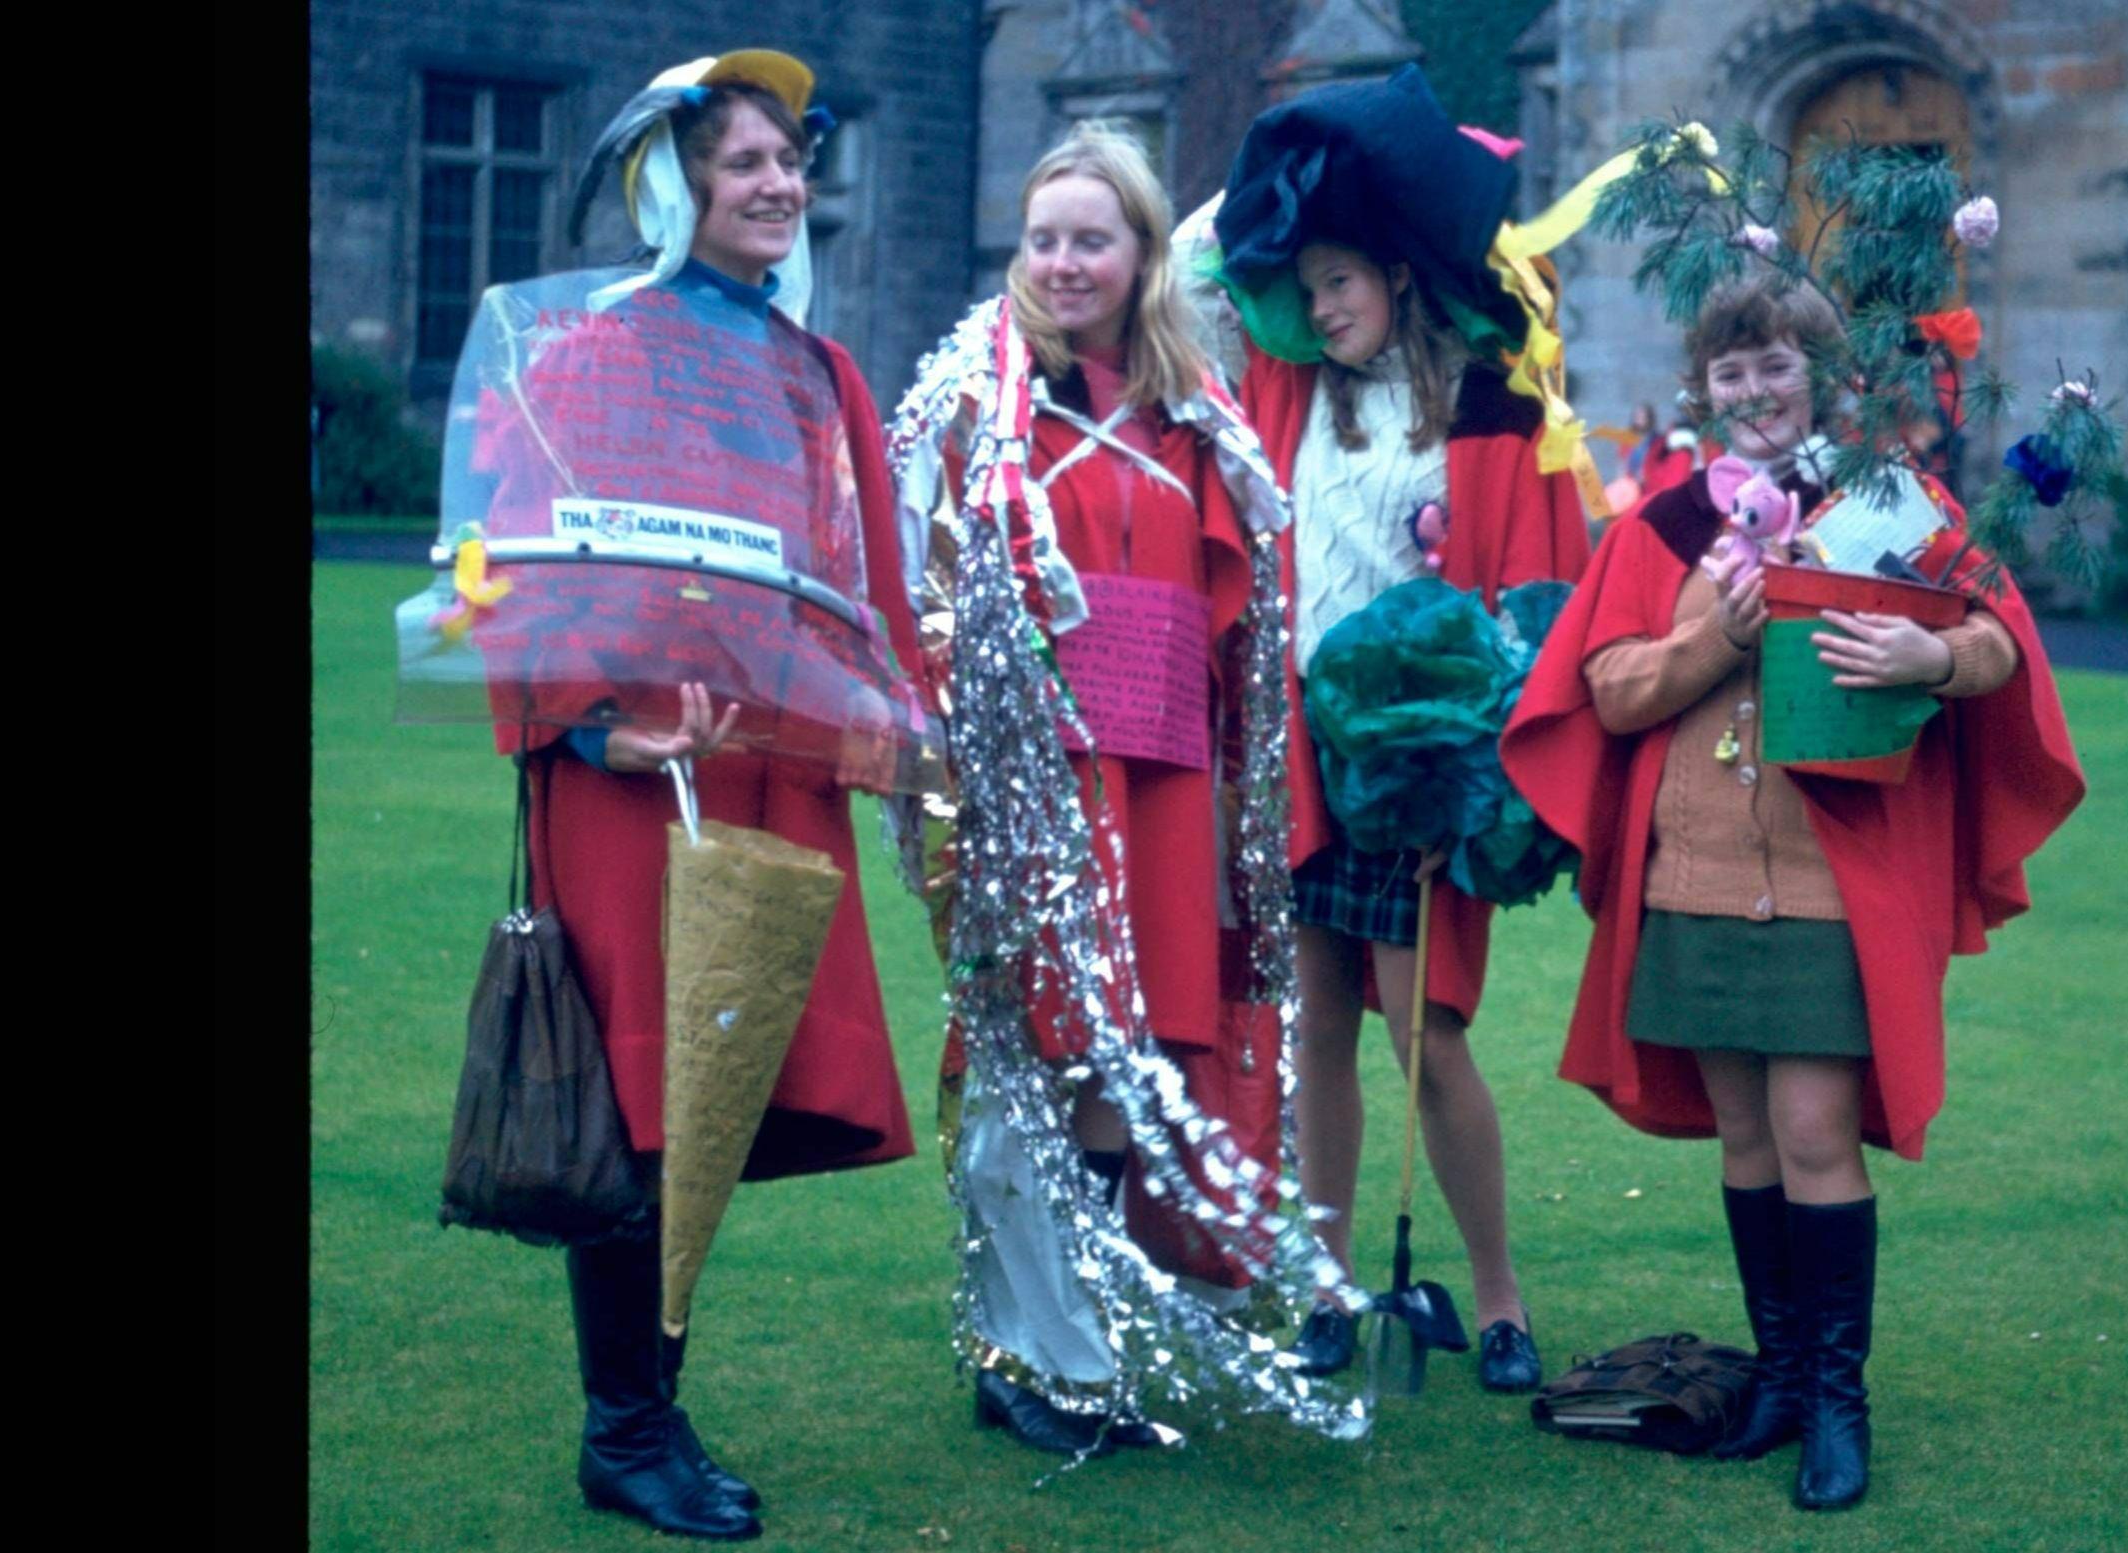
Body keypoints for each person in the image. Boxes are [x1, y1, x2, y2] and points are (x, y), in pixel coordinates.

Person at [1500, 276, 2084, 1510]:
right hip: (1695, 865)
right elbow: (1608, 690)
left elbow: (1994, 643)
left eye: (1774, 366)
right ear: (1701, 388)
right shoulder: (1663, 526)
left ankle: (1834, 1399)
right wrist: (1721, 627)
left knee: (1816, 1131)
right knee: (1750, 1134)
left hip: (1829, 873)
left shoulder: (1888, 502)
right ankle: (1773, 1375)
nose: (1752, 390)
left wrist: (1933, 653)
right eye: (1729, 372)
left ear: (1818, 375)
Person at [461, 50, 924, 1541]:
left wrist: (890, 726)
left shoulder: (817, 371)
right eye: (742, 163)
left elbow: (850, 587)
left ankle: (642, 1412)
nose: (777, 184)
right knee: (647, 1103)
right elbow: (515, 556)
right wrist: (596, 734)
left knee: (709, 1097)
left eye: (789, 160)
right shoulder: (590, 347)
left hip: (756, 767)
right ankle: (626, 1426)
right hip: (623, 778)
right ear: (678, 184)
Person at [1194, 67, 1592, 1393]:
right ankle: (1321, 1280)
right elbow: (1197, 254)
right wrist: (1304, 164)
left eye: (1339, 281)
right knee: (1314, 1026)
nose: (1317, 307)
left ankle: (1495, 1298)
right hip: (1304, 748)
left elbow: (1524, 604)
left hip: (1421, 758)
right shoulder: (1290, 390)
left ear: (1399, 272)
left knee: (1424, 1036)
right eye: (1304, 290)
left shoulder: (1489, 402)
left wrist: (1458, 786)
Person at [899, 122, 1286, 1454]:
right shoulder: (981, 405)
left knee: (1130, 1067)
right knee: (1033, 1055)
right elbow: (931, 599)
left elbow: (1238, 612)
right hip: (1036, 791)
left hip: (1166, 780)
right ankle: (1028, 1354)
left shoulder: (1192, 420)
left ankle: (1080, 1337)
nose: (1063, 262)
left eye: (1091, 238)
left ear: (1138, 255)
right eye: (1044, 237)